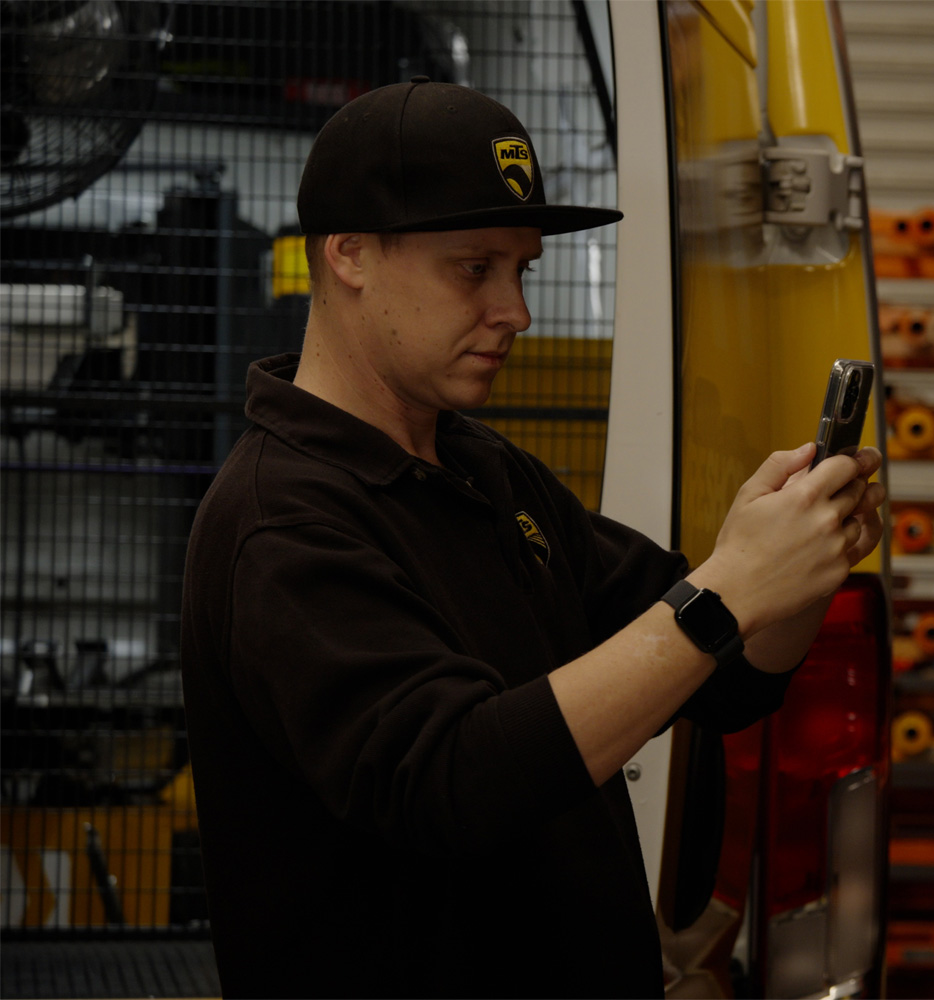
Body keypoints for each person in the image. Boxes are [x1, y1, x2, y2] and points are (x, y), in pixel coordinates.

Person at [179, 77, 885, 997]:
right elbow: (451, 780)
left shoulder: (486, 472)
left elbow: (727, 675)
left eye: (523, 270)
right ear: (348, 254)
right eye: (475, 268)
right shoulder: (282, 521)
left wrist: (793, 569)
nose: (515, 310)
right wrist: (728, 591)